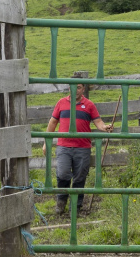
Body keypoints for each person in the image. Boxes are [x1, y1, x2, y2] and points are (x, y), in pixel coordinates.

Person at [43, 76, 113, 215]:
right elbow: (52, 123)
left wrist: (104, 127)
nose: (75, 89)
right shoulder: (61, 103)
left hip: (82, 146)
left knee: (80, 176)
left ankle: (76, 206)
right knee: (62, 173)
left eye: (79, 87)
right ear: (69, 87)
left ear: (83, 89)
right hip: (64, 146)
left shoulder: (89, 105)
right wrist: (47, 142)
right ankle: (61, 201)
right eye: (72, 87)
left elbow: (97, 122)